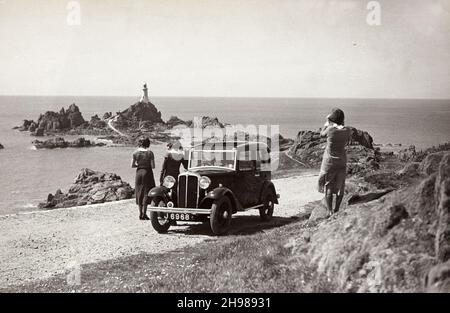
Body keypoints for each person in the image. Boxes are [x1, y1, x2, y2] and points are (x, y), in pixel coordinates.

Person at [318, 108, 351, 217]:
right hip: (341, 161)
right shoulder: (347, 130)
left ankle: (330, 211)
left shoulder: (330, 130)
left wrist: (326, 123)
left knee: (328, 187)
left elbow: (321, 134)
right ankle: (336, 209)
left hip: (329, 162)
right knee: (340, 186)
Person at [132, 137, 156, 220]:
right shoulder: (150, 153)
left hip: (139, 173)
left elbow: (132, 165)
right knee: (146, 192)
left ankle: (140, 214)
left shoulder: (135, 153)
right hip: (147, 172)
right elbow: (153, 166)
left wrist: (139, 165)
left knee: (139, 191)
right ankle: (144, 213)